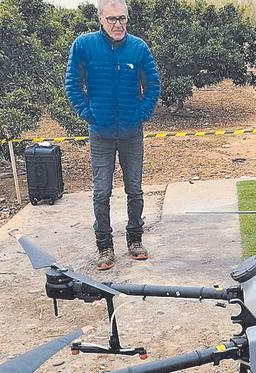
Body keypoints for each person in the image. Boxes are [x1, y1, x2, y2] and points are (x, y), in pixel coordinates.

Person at [65, 0, 161, 270]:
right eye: (112, 19)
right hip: (101, 133)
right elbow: (72, 84)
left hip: (132, 132)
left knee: (134, 189)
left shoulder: (138, 47)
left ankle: (135, 239)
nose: (118, 24)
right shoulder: (84, 46)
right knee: (101, 191)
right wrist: (89, 113)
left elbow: (152, 83)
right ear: (100, 19)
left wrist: (142, 113)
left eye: (122, 18)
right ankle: (105, 246)